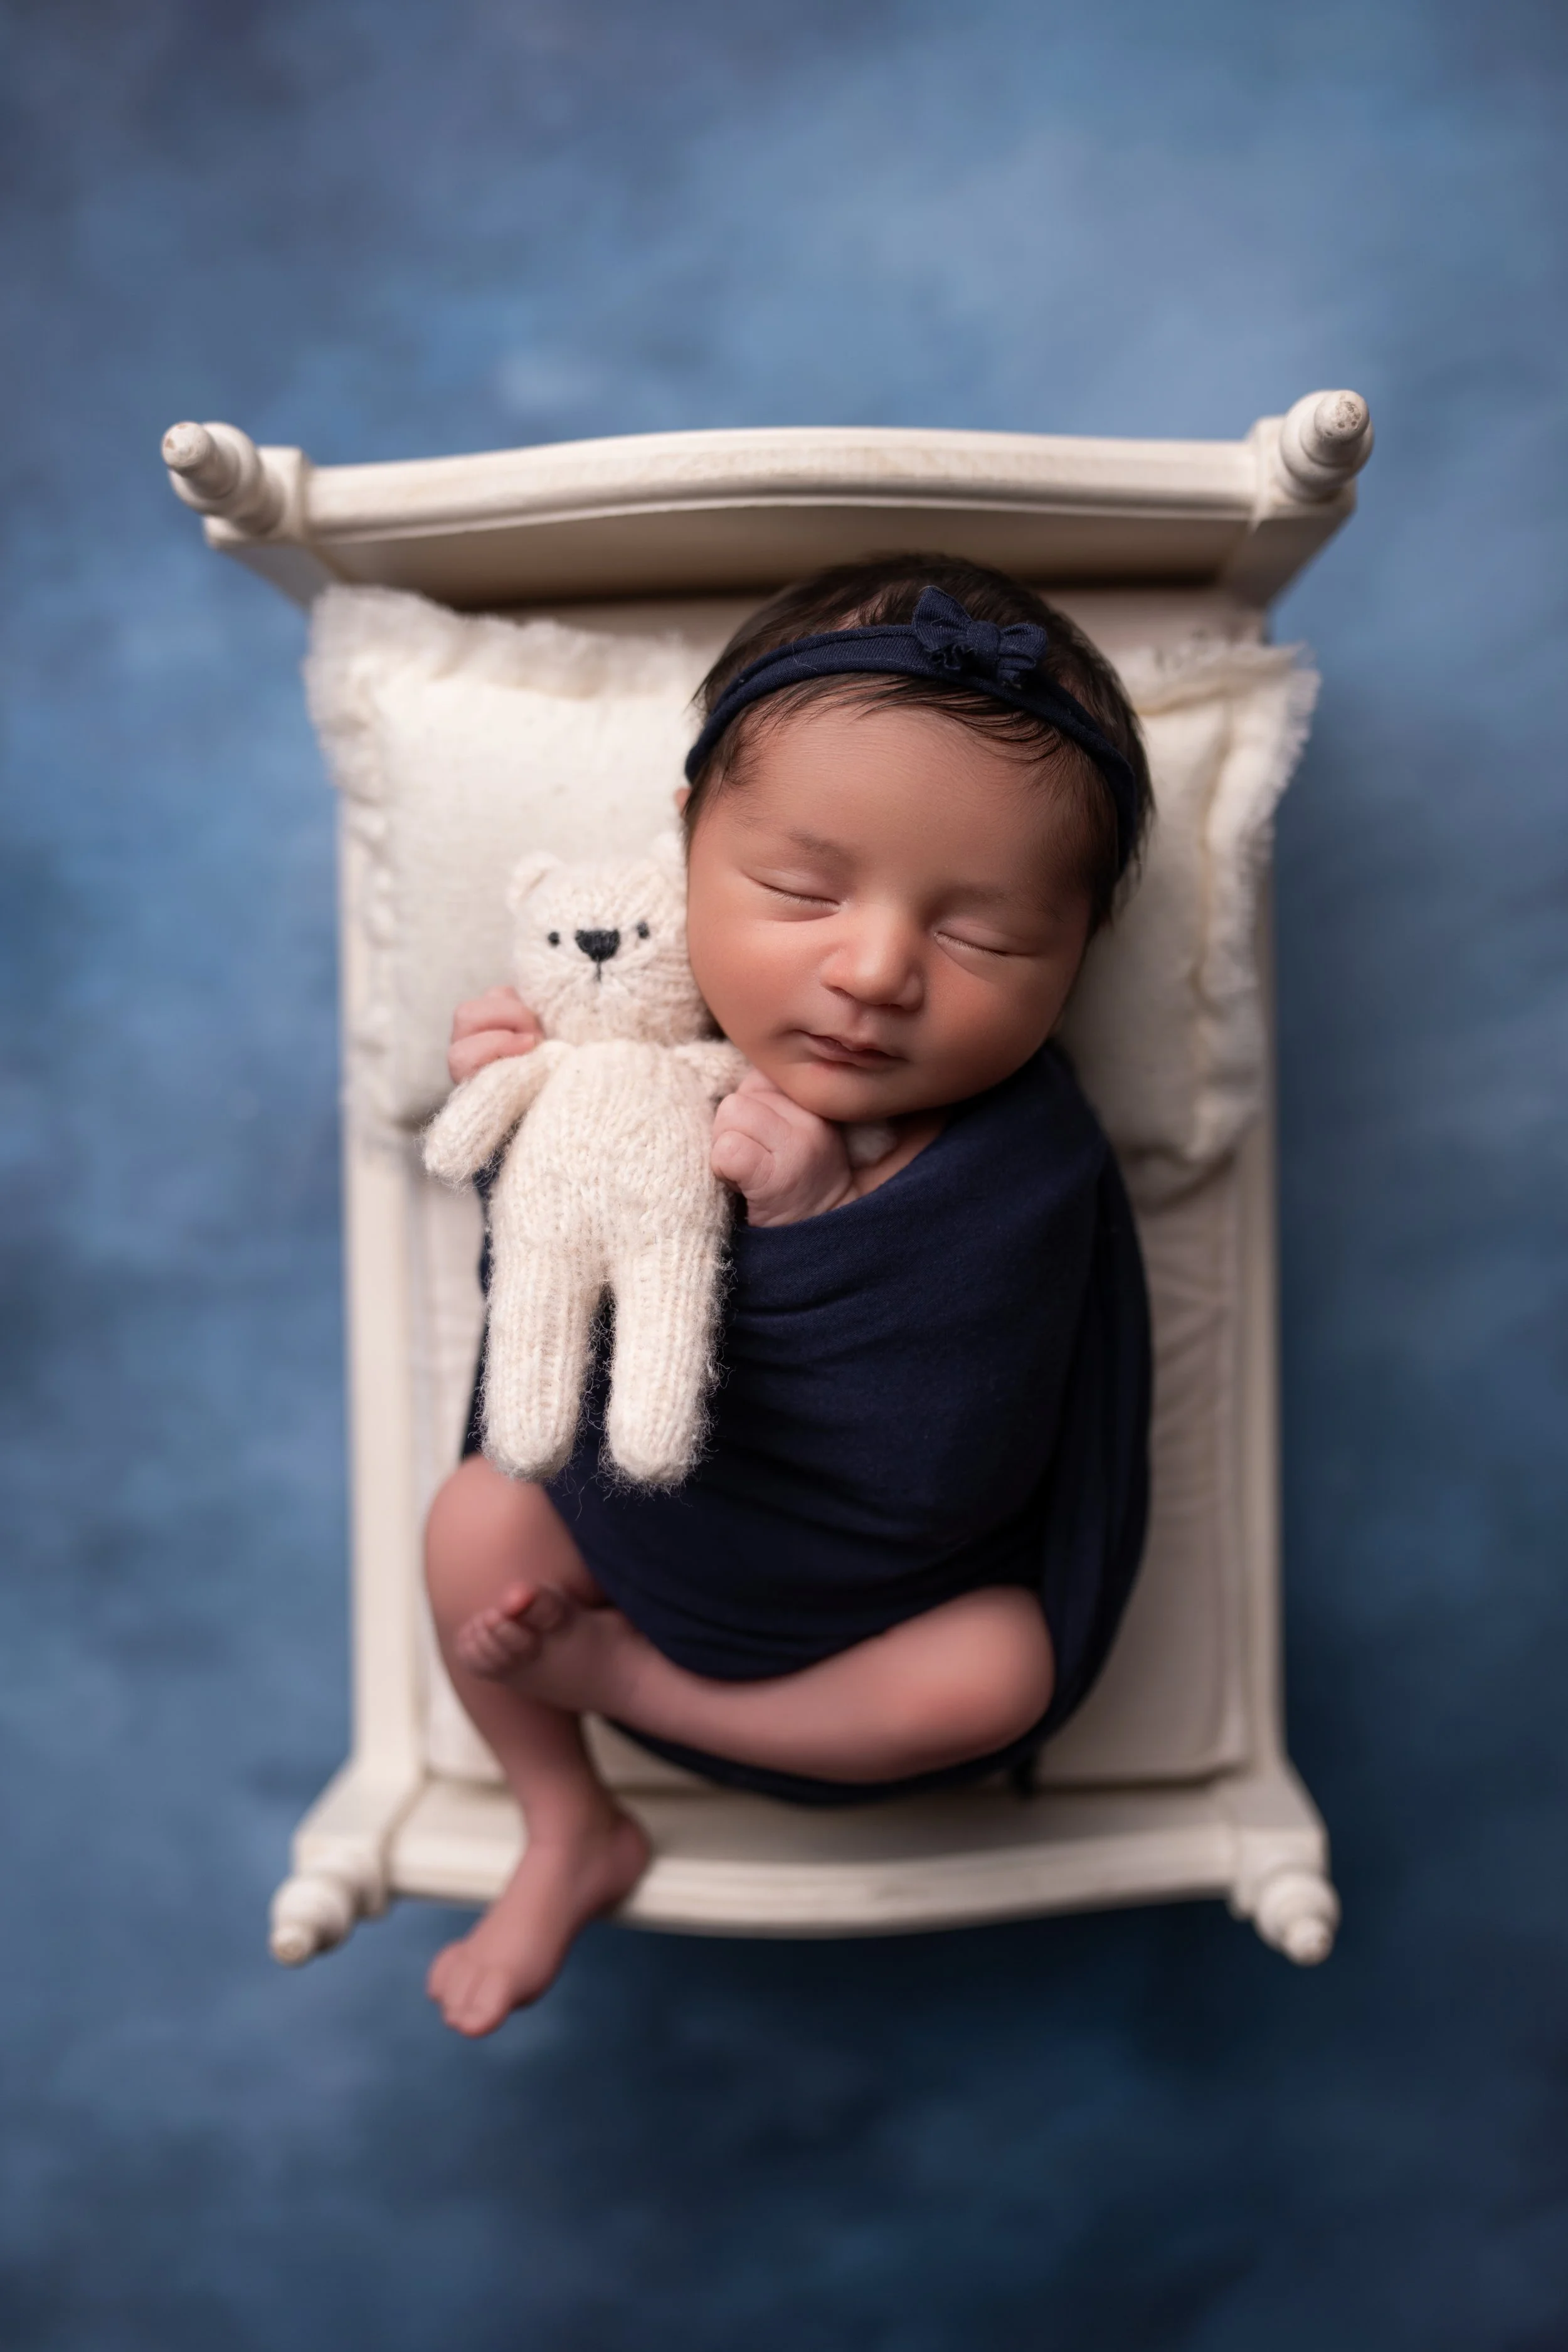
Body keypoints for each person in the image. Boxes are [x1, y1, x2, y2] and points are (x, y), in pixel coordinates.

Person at [423, 554, 1154, 2035]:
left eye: (981, 935)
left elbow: (951, 1454)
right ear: (689, 844)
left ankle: (643, 1696)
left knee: (995, 1673)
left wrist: (822, 1223)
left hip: (885, 1609)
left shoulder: (1024, 1159)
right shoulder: (626, 1038)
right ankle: (567, 1822)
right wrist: (522, 1119)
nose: (876, 969)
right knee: (472, 1522)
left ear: (1075, 953)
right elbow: (541, 1334)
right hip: (639, 1533)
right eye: (799, 890)